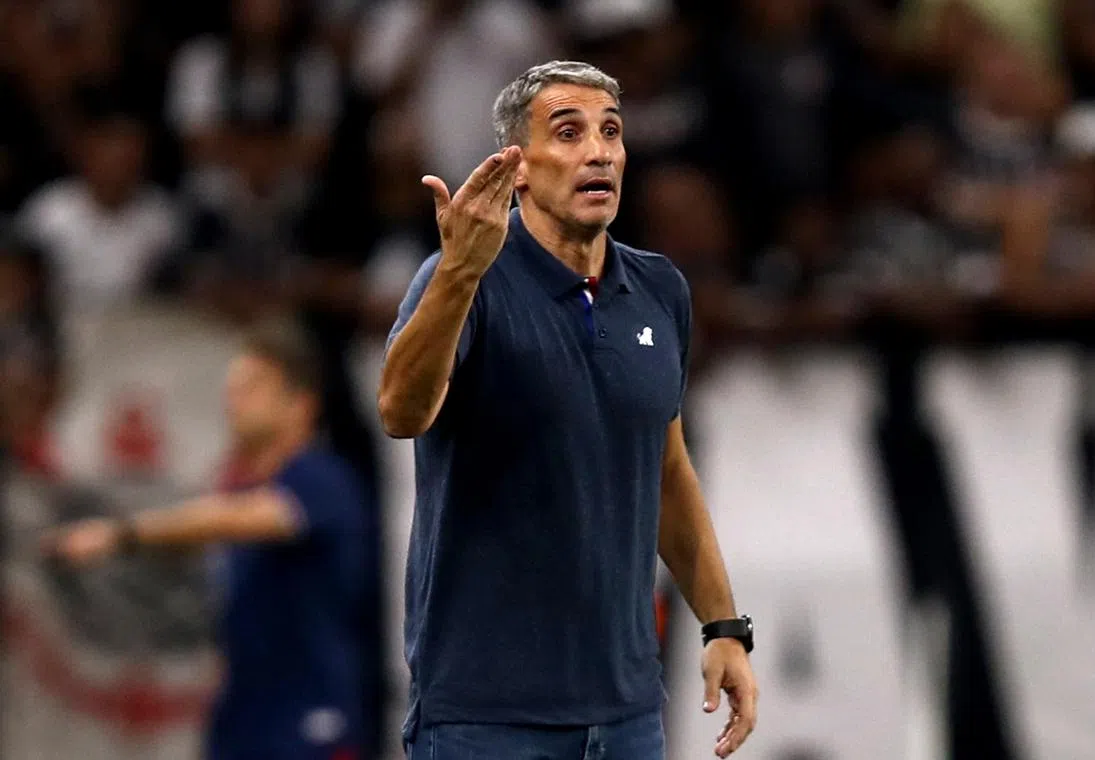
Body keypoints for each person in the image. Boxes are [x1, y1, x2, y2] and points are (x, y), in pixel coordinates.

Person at [379, 60, 759, 760]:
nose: (599, 151)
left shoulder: (659, 289)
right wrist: (460, 270)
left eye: (611, 132)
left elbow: (667, 471)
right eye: (569, 131)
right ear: (516, 168)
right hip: (485, 715)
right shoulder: (463, 279)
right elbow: (401, 413)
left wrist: (724, 626)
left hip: (626, 714)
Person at [46, 320, 370, 760]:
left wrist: (121, 534)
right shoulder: (237, 487)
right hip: (243, 714)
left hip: (309, 719)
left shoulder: (321, 479)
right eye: (232, 386)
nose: (234, 399)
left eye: (253, 386)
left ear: (301, 404)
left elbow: (237, 519)